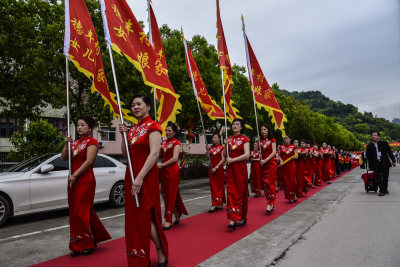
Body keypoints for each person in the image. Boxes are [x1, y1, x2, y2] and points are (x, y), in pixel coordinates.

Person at [119, 95, 168, 267]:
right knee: (134, 217)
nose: (135, 107)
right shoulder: (132, 129)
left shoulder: (153, 126)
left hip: (145, 176)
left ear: (148, 106)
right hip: (130, 176)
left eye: (139, 104)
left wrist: (139, 177)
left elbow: (154, 153)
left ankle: (160, 250)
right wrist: (123, 135)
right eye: (133, 105)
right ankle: (139, 256)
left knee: (146, 214)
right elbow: (125, 153)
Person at [62, 116, 111, 257]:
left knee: (81, 212)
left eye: (82, 125)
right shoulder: (74, 143)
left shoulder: (92, 142)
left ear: (90, 128)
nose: (79, 127)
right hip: (73, 181)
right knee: (74, 212)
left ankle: (87, 242)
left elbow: (89, 161)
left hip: (84, 180)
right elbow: (64, 158)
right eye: (78, 125)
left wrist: (75, 174)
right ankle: (77, 243)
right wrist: (66, 144)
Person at [158, 122, 188, 230]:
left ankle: (168, 219)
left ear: (174, 132)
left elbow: (175, 158)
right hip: (163, 171)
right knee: (166, 193)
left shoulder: (177, 143)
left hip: (171, 171)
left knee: (170, 194)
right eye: (166, 130)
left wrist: (162, 165)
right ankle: (177, 212)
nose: (167, 132)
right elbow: (160, 155)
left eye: (170, 131)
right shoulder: (163, 142)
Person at [224, 118, 250, 229]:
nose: (234, 126)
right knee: (230, 191)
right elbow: (225, 155)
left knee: (240, 193)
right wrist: (225, 144)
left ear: (241, 127)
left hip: (240, 169)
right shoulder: (228, 139)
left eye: (237, 124)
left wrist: (233, 160)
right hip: (230, 169)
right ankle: (232, 218)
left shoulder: (245, 139)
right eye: (233, 124)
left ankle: (242, 216)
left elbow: (247, 155)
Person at [254, 124, 277, 214]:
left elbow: (274, 152)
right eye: (261, 129)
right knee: (265, 185)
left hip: (271, 164)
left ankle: (270, 203)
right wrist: (256, 141)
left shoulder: (272, 140)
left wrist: (266, 160)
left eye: (265, 129)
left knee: (270, 183)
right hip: (263, 165)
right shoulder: (261, 141)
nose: (263, 131)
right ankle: (270, 201)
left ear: (268, 130)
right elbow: (255, 151)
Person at [366, 131, 396, 196]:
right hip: (376, 164)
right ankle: (382, 190)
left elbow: (389, 153)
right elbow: (369, 157)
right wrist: (369, 166)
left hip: (384, 162)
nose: (373, 137)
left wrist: (393, 161)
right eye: (372, 135)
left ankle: (385, 188)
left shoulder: (384, 143)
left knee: (385, 177)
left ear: (378, 136)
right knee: (378, 178)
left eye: (374, 135)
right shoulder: (369, 146)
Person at [206, 133, 226, 213]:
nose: (213, 139)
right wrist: (207, 151)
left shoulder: (222, 148)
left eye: (215, 137)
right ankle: (214, 204)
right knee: (213, 186)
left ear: (219, 139)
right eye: (213, 137)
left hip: (219, 169)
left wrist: (216, 167)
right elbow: (208, 159)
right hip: (211, 169)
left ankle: (219, 202)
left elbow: (223, 159)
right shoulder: (211, 148)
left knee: (219, 186)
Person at [277, 134, 297, 203]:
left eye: (286, 138)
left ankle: (294, 195)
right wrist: (280, 159)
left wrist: (293, 157)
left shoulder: (294, 147)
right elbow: (278, 156)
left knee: (292, 181)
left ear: (290, 139)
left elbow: (296, 156)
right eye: (284, 138)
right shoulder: (281, 147)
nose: (285, 139)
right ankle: (289, 197)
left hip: (291, 165)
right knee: (286, 181)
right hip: (284, 166)